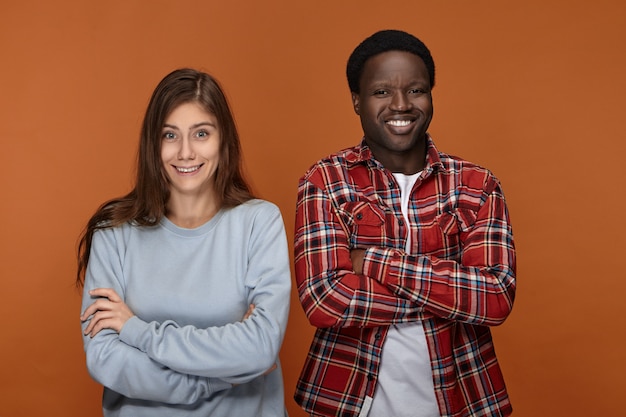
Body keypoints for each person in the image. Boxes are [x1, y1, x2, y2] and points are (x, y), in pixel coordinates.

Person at [293, 30, 516, 417]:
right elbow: (325, 300)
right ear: (357, 101)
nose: (401, 105)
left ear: (431, 95)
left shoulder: (478, 185)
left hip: (462, 399)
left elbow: (495, 298)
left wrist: (374, 262)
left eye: (415, 90)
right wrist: (453, 298)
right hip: (346, 400)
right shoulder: (325, 180)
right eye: (382, 92)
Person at [76, 68, 291, 417]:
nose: (186, 152)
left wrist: (137, 331)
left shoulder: (258, 221)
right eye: (170, 135)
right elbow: (105, 359)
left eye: (201, 133)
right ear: (153, 143)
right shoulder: (113, 231)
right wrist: (218, 380)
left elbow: (260, 348)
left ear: (224, 141)